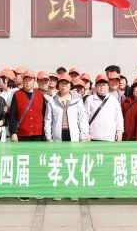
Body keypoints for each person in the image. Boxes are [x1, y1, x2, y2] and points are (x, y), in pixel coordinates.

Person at [45, 74, 88, 202]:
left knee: (72, 162)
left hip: (73, 136)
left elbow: (82, 119)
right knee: (58, 163)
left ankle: (72, 190)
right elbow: (48, 121)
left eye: (67, 83)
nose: (64, 85)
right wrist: (49, 137)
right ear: (58, 85)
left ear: (70, 85)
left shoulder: (77, 100)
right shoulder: (52, 101)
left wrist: (83, 136)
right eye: (62, 83)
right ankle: (58, 190)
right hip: (58, 136)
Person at [9, 70, 47, 142]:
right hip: (22, 134)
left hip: (38, 133)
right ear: (23, 81)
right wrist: (13, 133)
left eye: (30, 80)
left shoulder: (40, 94)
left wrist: (45, 132)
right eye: (26, 80)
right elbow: (12, 115)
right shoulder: (17, 94)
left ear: (34, 81)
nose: (28, 82)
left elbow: (45, 115)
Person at [85, 75, 124, 142]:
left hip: (110, 137)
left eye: (104, 85)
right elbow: (85, 118)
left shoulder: (113, 100)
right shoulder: (90, 99)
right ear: (96, 87)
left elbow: (119, 117)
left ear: (108, 86)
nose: (102, 87)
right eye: (99, 85)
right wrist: (86, 133)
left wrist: (119, 131)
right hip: (94, 137)